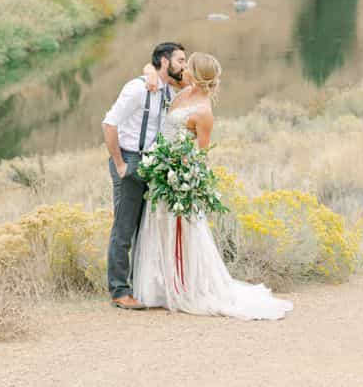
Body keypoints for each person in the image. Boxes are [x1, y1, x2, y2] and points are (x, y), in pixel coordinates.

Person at [131, 52, 292, 319]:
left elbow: (201, 153)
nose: (184, 67)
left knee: (179, 231)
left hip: (177, 176)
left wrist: (182, 175)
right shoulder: (185, 90)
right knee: (157, 226)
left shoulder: (204, 112)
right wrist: (149, 69)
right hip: (160, 168)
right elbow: (157, 71)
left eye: (188, 66)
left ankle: (185, 287)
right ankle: (159, 287)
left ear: (195, 74)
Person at [101, 41, 185, 310]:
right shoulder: (137, 88)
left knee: (146, 227)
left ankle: (140, 286)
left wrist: (151, 69)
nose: (184, 66)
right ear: (165, 61)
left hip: (154, 164)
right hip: (130, 159)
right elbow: (109, 123)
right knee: (124, 229)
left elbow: (200, 81)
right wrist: (120, 164)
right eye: (180, 60)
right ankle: (119, 291)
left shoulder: (169, 89)